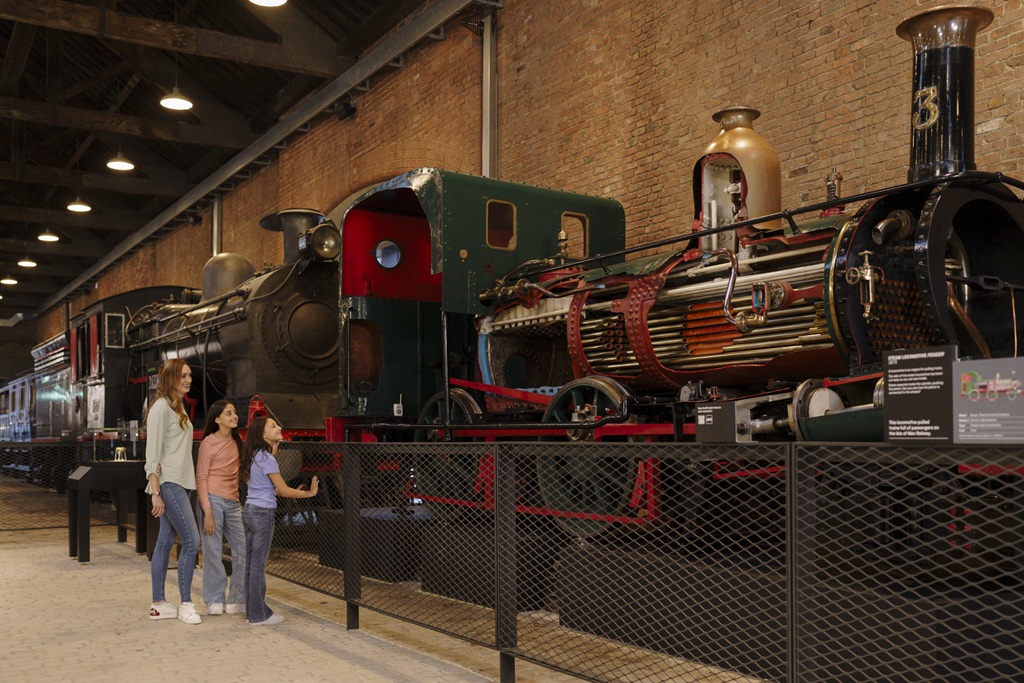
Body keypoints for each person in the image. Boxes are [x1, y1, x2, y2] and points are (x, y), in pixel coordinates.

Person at [240, 415, 318, 625]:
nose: (279, 427)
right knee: (258, 566)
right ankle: (259, 614)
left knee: (250, 565)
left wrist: (273, 451)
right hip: (263, 513)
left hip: (249, 511)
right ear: (262, 434)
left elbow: (268, 485)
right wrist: (308, 494)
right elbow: (281, 490)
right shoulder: (267, 459)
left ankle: (251, 612)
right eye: (273, 426)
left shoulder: (255, 455)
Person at [144, 358, 202, 625]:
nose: (188, 380)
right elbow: (152, 454)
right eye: (182, 376)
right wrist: (156, 492)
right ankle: (186, 604)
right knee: (192, 541)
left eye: (189, 375)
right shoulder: (161, 409)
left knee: (165, 543)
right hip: (170, 484)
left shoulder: (178, 407)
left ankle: (158, 604)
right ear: (170, 378)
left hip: (180, 482)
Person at [195, 400, 247, 616]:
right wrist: (207, 510)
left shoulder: (237, 441)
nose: (234, 416)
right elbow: (201, 477)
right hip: (212, 500)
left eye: (234, 412)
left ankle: (237, 599)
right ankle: (214, 599)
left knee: (243, 549)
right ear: (217, 419)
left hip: (233, 502)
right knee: (213, 551)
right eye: (229, 413)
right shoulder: (208, 443)